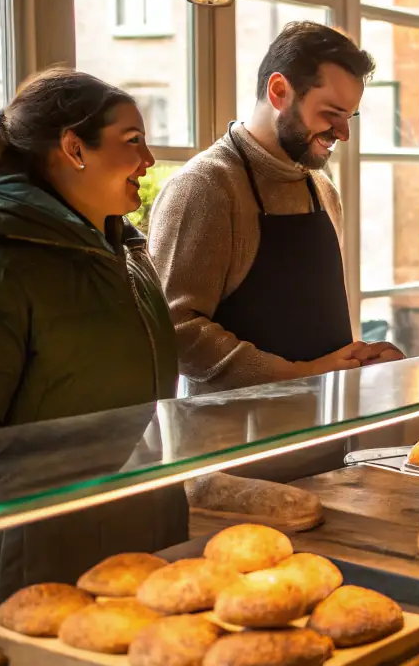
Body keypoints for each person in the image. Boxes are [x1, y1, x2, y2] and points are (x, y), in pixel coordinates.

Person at [0, 68, 187, 619]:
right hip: (23, 580)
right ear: (74, 148)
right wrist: (86, 470)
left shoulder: (127, 256)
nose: (148, 160)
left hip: (132, 566)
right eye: (132, 142)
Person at [147, 22, 403, 393]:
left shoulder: (322, 189)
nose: (343, 133)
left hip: (326, 430)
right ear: (280, 91)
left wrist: (359, 362)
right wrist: (299, 374)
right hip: (236, 439)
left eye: (350, 117)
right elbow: (175, 329)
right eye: (331, 114)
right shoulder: (204, 187)